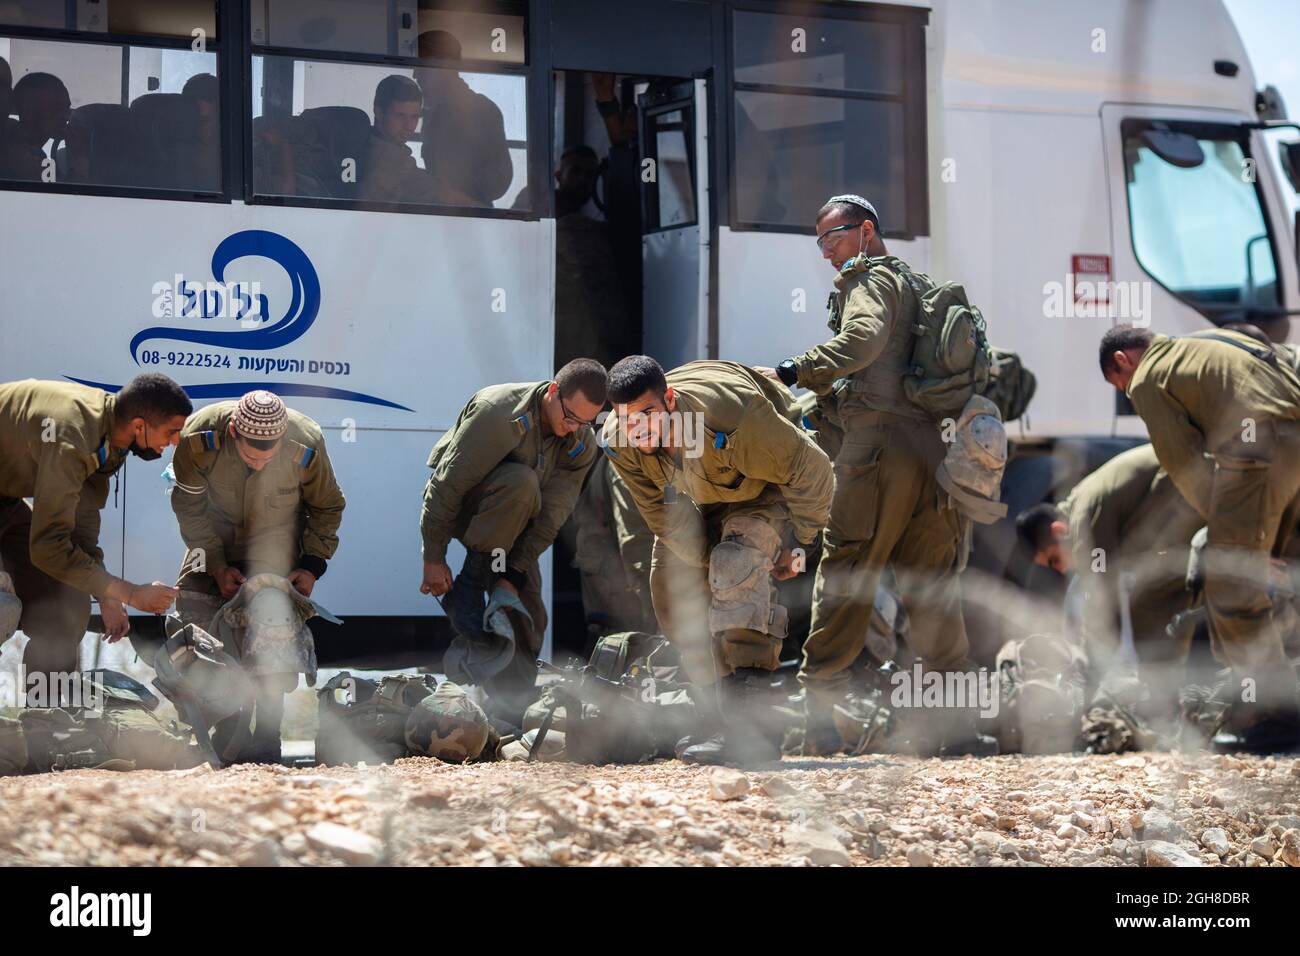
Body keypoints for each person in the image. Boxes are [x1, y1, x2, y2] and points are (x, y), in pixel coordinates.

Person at [757, 194, 995, 757]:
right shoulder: (916, 284)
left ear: (865, 231)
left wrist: (796, 370)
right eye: (820, 245)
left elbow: (862, 340)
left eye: (832, 240)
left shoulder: (868, 279)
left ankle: (817, 720)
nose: (827, 255)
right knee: (932, 584)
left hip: (877, 453)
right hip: (930, 454)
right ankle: (956, 725)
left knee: (847, 570)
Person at [602, 356, 833, 765]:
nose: (639, 429)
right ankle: (716, 719)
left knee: (735, 566)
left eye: (648, 415)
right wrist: (705, 563)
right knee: (672, 590)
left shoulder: (729, 418)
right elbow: (660, 512)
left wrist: (801, 543)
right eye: (628, 420)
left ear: (669, 400)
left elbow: (812, 469)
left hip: (769, 489)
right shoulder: (621, 440)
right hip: (701, 498)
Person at [1100, 324, 1300, 751]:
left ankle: (1280, 715)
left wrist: (1230, 530)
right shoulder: (1211, 341)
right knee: (1284, 568)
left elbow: (1182, 462)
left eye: (1119, 385)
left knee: (1232, 582)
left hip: (1257, 452)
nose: (1126, 392)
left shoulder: (1149, 375)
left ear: (1123, 360)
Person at [419, 360, 606, 713]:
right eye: (569, 416)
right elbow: (447, 486)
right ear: (553, 391)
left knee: (527, 609)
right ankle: (471, 583)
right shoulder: (498, 412)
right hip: (469, 510)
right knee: (522, 483)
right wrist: (433, 556)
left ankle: (511, 709)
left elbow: (552, 515)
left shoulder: (580, 441)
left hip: (514, 522)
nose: (574, 428)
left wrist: (512, 576)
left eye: (585, 421)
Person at [170, 390, 345, 761]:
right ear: (234, 431)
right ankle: (223, 729)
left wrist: (313, 564)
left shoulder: (305, 442)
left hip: (275, 546)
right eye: (251, 456)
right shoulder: (199, 439)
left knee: (274, 621)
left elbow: (328, 506)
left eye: (268, 456)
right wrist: (216, 566)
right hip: (212, 540)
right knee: (193, 621)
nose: (260, 464)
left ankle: (268, 739)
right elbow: (189, 509)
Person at [0, 375, 191, 692]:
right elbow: (49, 548)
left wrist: (107, 593)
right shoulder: (72, 437)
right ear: (139, 425)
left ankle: (45, 720)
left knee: (67, 603)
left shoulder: (111, 438)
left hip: (5, 501)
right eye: (171, 431)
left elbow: (81, 529)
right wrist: (129, 593)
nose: (175, 441)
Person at [415, 30, 512, 206]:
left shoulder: (482, 110)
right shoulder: (432, 111)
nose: (415, 75)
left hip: (470, 218)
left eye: (421, 66)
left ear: (444, 67)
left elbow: (499, 180)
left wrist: (456, 192)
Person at [572, 455, 657, 640]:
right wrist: (658, 609)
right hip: (608, 561)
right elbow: (635, 543)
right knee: (617, 641)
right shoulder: (629, 462)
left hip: (632, 555)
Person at [361, 74, 442, 205]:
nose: (409, 126)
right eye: (400, 116)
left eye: (415, 117)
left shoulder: (365, 140)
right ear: (379, 112)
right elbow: (446, 197)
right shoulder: (389, 158)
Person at [0, 72, 69, 181]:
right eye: (58, 108)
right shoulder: (17, 156)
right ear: (30, 111)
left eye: (67, 108)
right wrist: (80, 165)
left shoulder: (34, 151)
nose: (66, 116)